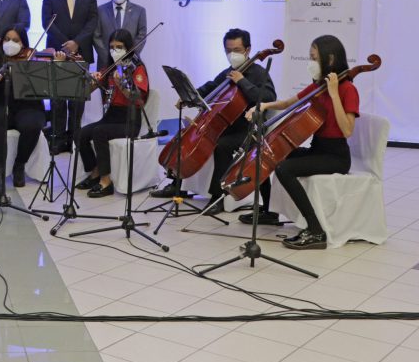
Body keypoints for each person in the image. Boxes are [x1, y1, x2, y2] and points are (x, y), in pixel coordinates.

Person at [240, 35, 359, 250]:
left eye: (314, 58)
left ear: (330, 59)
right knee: (274, 154)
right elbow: (288, 103)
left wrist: (334, 95)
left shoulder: (347, 89)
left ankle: (315, 230)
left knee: (285, 169)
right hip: (318, 149)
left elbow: (347, 130)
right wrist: (264, 106)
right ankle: (270, 211)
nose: (311, 63)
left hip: (336, 156)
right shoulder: (318, 86)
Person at [150, 28, 276, 203]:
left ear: (248, 50)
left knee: (221, 145)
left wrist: (242, 81)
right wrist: (188, 96)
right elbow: (211, 87)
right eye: (228, 50)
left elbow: (269, 98)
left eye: (237, 50)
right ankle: (177, 184)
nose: (232, 54)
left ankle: (218, 197)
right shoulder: (227, 72)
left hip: (246, 129)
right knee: (189, 135)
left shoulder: (258, 73)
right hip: (223, 125)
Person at [0, 27, 58, 194]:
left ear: (23, 43)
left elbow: (45, 85)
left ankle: (20, 165)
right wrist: (1, 72)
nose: (10, 43)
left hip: (27, 106)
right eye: (7, 39)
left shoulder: (32, 58)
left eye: (16, 40)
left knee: (33, 124)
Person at [75, 29, 149, 198]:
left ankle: (105, 181)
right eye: (112, 47)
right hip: (111, 116)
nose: (115, 51)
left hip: (129, 119)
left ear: (128, 47)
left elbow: (137, 99)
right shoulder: (110, 68)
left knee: (99, 132)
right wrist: (92, 82)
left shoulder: (137, 68)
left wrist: (121, 84)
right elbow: (86, 92)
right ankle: (94, 172)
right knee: (80, 134)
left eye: (119, 47)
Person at [41, 0, 97, 154]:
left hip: (82, 51)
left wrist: (77, 42)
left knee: (77, 99)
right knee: (57, 99)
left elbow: (92, 21)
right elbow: (46, 22)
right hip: (57, 51)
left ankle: (74, 140)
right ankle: (57, 140)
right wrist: (66, 44)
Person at [92, 0, 147, 71]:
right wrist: (108, 58)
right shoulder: (100, 10)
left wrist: (129, 56)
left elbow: (142, 36)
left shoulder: (139, 11)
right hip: (105, 64)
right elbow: (96, 36)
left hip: (130, 64)